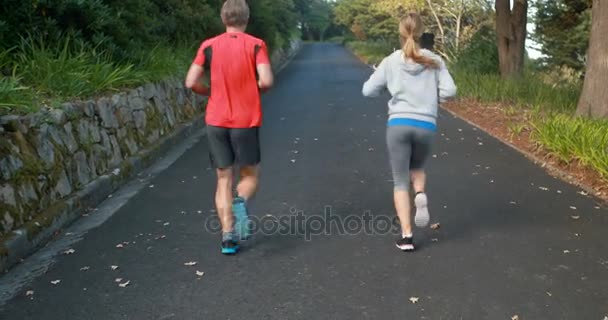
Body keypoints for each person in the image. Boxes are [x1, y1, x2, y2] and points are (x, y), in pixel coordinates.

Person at [185, 0, 274, 255]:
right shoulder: (256, 44)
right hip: (246, 120)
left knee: (223, 179)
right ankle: (241, 201)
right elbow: (266, 80)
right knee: (249, 176)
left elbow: (191, 81)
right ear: (246, 18)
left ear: (223, 19)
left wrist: (209, 92)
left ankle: (227, 237)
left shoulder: (208, 46)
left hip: (216, 119)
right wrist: (253, 90)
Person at [362, 12, 456, 252]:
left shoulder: (391, 60)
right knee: (417, 168)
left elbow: (368, 91)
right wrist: (434, 99)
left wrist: (387, 88)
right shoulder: (434, 60)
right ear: (422, 32)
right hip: (426, 125)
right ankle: (421, 193)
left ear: (401, 33)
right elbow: (450, 91)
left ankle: (406, 237)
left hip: (399, 124)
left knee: (400, 180)